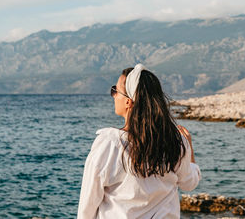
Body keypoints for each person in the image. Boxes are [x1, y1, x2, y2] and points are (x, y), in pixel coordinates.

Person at [78, 64, 201, 219]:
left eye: (115, 91)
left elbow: (87, 207)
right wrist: (189, 147)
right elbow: (189, 183)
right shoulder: (177, 143)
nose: (113, 96)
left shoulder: (110, 144)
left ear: (128, 102)